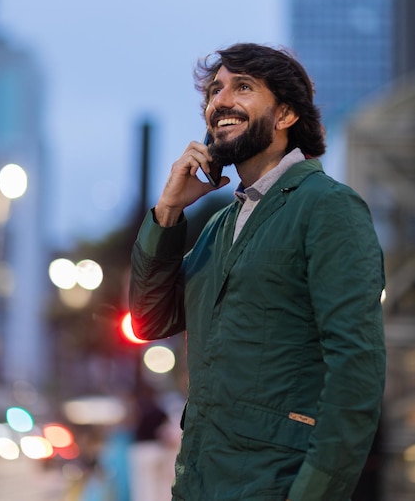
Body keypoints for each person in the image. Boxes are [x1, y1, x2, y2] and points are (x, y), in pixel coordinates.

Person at [129, 43, 386, 501]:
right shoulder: (218, 227)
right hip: (199, 482)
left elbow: (356, 370)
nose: (219, 101)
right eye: (214, 90)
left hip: (275, 485)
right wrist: (167, 211)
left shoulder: (327, 207)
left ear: (286, 114)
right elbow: (150, 320)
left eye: (242, 87)